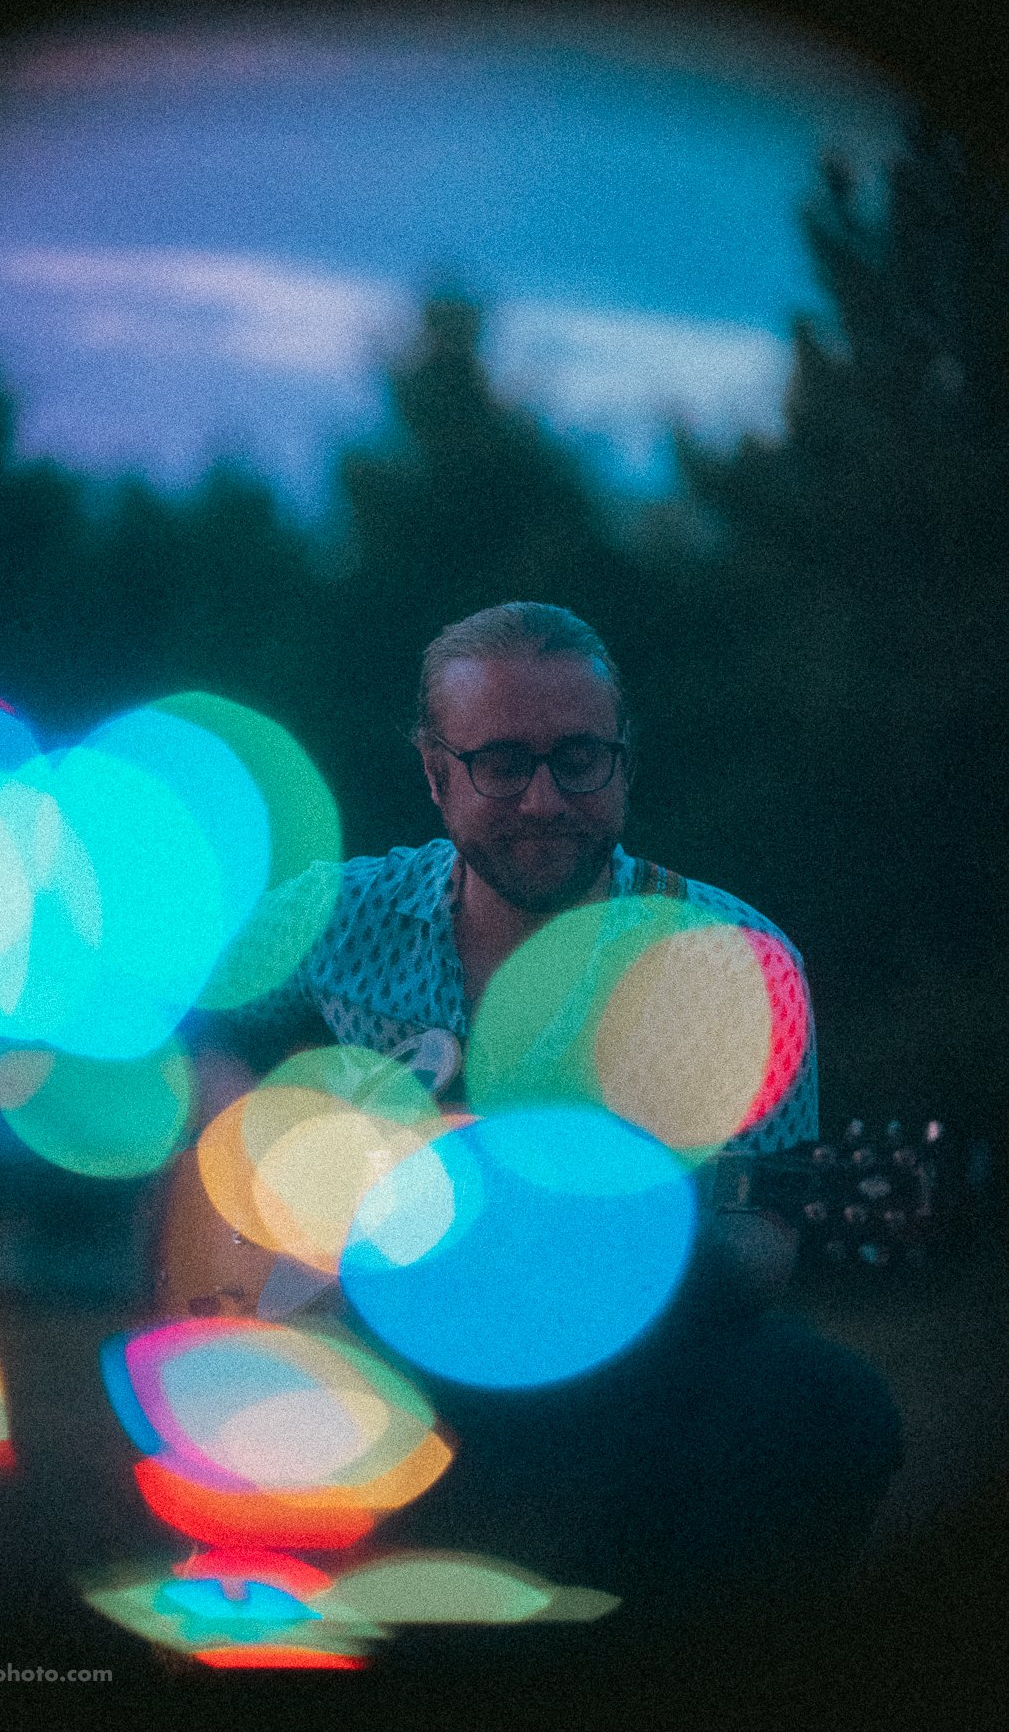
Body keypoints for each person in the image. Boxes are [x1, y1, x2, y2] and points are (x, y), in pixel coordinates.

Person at [169, 601, 902, 1627]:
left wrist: (619, 1252)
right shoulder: (336, 918)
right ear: (434, 774)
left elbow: (761, 1237)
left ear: (623, 766)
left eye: (578, 759)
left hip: (627, 1363)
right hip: (363, 1350)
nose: (544, 799)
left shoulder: (729, 962)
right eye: (502, 763)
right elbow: (207, 1041)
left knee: (823, 1406)